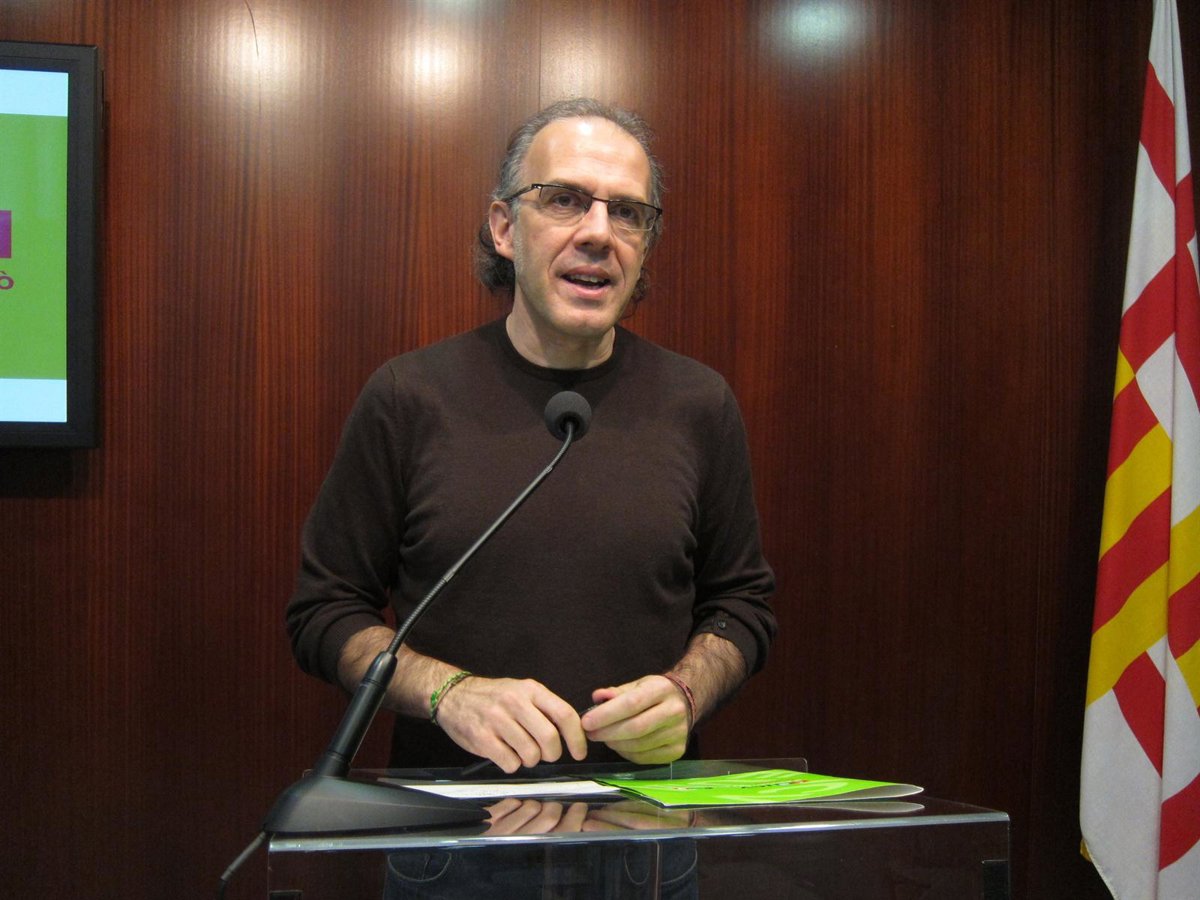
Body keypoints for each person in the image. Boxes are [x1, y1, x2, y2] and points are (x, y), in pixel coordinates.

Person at [285, 98, 777, 776]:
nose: (599, 232)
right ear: (504, 228)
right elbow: (325, 612)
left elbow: (741, 606)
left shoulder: (699, 403)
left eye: (627, 212)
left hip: (645, 819)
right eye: (565, 200)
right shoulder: (408, 397)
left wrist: (686, 692)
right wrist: (446, 691)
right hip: (454, 821)